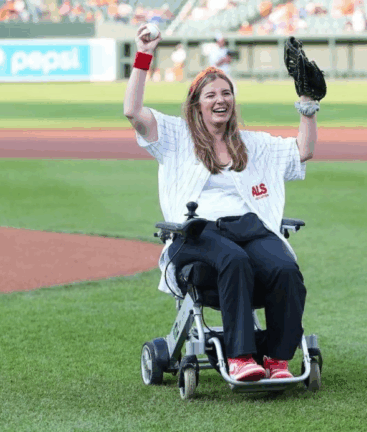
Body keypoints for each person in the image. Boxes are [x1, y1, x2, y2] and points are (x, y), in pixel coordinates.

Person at [123, 24, 318, 383]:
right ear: (197, 103)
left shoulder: (253, 144)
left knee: (286, 269)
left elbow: (302, 152)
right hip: (196, 233)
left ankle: (276, 358)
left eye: (226, 93)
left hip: (249, 226)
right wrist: (143, 55)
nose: (220, 99)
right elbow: (134, 112)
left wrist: (307, 107)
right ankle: (241, 357)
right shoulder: (176, 136)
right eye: (211, 94)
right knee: (234, 259)